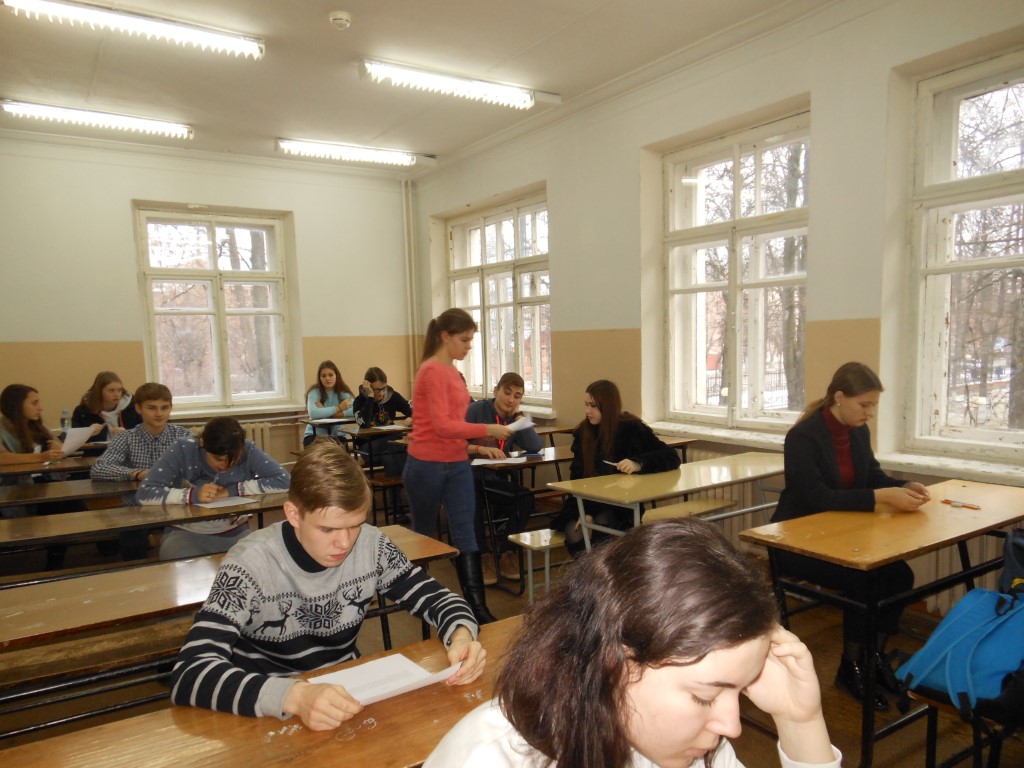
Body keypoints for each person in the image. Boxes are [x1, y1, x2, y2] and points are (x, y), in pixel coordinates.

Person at [424, 518, 841, 768]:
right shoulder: (487, 759)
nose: (731, 726)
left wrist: (799, 722)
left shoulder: (691, 747)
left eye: (739, 689)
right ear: (614, 662)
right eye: (704, 697)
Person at [170, 439, 484, 730]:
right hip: (267, 707)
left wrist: (461, 635)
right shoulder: (248, 565)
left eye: (355, 525)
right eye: (328, 529)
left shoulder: (372, 545)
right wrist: (295, 696)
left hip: (347, 693)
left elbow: (438, 598)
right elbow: (190, 673)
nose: (345, 543)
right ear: (293, 514)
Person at [772, 361, 931, 712]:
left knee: (899, 575)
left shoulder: (858, 432)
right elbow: (817, 497)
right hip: (796, 541)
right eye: (865, 404)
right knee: (864, 580)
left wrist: (904, 485)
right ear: (840, 397)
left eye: (874, 405)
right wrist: (882, 496)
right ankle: (851, 666)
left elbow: (872, 475)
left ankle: (874, 657)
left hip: (838, 534)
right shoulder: (803, 437)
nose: (870, 412)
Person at [404, 308, 512, 624]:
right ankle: (419, 602)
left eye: (470, 340)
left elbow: (455, 423)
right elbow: (442, 426)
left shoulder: (452, 371)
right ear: (445, 336)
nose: (468, 346)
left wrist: (479, 439)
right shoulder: (430, 371)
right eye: (464, 340)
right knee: (423, 536)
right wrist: (487, 429)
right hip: (426, 465)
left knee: (466, 535)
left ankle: (478, 608)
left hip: (456, 464)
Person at [552, 379, 681, 557]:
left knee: (603, 523)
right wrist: (585, 512)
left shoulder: (631, 429)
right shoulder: (584, 432)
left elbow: (671, 456)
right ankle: (589, 572)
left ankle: (606, 571)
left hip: (621, 504)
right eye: (586, 405)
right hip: (587, 500)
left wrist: (638, 463)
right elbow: (577, 477)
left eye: (594, 406)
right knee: (574, 531)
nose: (588, 411)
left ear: (608, 406)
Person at [137, 416, 291, 560]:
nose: (226, 465)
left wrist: (232, 490)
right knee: (181, 564)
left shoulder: (247, 449)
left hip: (234, 533)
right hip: (185, 533)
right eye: (218, 459)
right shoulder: (182, 449)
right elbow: (145, 493)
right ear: (202, 443)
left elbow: (284, 480)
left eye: (234, 459)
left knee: (257, 559)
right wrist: (192, 495)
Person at [90, 382, 193, 559]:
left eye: (164, 408)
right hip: (137, 506)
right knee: (132, 546)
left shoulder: (183, 436)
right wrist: (136, 473)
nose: (159, 413)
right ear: (138, 408)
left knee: (190, 543)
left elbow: (200, 469)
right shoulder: (126, 437)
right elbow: (98, 468)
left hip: (177, 504)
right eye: (151, 408)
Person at [466, 372, 544, 582]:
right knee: (471, 496)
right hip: (466, 477)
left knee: (525, 498)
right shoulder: (476, 410)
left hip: (493, 479)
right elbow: (453, 443)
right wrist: (479, 449)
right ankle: (482, 555)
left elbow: (535, 446)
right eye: (507, 393)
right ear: (496, 391)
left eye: (517, 396)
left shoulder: (514, 418)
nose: (510, 400)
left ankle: (505, 552)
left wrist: (519, 418)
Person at [0, 384, 76, 568]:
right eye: (34, 403)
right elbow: (2, 458)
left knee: (72, 505)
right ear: (17, 405)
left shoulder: (37, 427)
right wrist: (40, 457)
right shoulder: (2, 429)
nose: (40, 408)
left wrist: (58, 449)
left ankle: (58, 555)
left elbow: (58, 450)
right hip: (14, 487)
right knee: (59, 506)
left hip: (43, 483)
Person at [352, 366, 412, 476]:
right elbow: (364, 424)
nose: (381, 393)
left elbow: (412, 411)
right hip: (369, 446)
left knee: (392, 450)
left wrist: (412, 418)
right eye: (376, 390)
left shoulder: (393, 396)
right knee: (396, 446)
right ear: (368, 387)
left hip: (391, 444)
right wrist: (370, 397)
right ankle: (400, 484)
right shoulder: (359, 401)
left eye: (384, 388)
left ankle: (395, 485)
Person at [71, 371, 142, 443]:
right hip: (98, 450)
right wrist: (88, 433)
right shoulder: (83, 412)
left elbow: (144, 435)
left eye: (119, 390)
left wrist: (127, 434)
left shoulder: (132, 408)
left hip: (126, 449)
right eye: (111, 390)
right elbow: (73, 440)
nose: (117, 394)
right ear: (99, 392)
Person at [302, 360, 355, 447]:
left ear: (336, 376)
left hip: (337, 435)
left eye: (330, 375)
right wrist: (339, 408)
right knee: (321, 452)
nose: (327, 378)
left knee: (339, 452)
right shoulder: (314, 392)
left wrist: (327, 413)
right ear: (319, 378)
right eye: (323, 376)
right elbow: (313, 413)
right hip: (315, 435)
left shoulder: (343, 392)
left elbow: (356, 410)